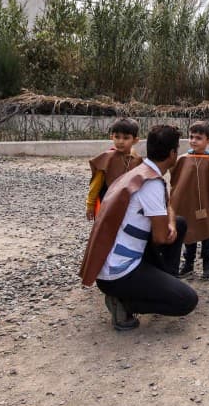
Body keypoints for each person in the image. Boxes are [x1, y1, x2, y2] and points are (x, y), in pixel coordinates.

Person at [80, 124, 198, 330]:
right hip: (119, 275)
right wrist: (168, 229)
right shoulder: (151, 185)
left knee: (178, 222)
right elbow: (161, 238)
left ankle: (163, 283)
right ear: (173, 154)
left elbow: (168, 207)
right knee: (187, 300)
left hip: (108, 264)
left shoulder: (141, 172)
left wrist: (170, 223)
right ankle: (124, 303)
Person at [169, 121, 209, 279]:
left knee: (206, 233)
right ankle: (189, 263)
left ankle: (207, 263)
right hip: (187, 205)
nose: (193, 141)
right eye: (191, 137)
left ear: (208, 141)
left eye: (198, 138)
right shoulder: (183, 159)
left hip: (205, 204)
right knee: (189, 233)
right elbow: (175, 179)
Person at [85, 118, 141, 220]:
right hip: (107, 201)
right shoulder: (107, 158)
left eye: (126, 138)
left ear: (135, 140)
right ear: (112, 137)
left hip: (128, 203)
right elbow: (96, 185)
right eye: (117, 137)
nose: (120, 141)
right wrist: (90, 204)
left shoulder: (136, 159)